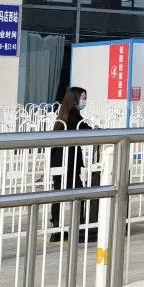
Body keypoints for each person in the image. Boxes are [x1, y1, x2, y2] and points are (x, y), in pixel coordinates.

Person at [48, 87, 93, 243]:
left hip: (58, 158)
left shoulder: (63, 113)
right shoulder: (74, 115)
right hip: (68, 160)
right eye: (83, 98)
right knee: (79, 194)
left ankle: (56, 230)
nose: (84, 101)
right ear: (75, 98)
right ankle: (78, 229)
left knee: (58, 194)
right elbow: (86, 130)